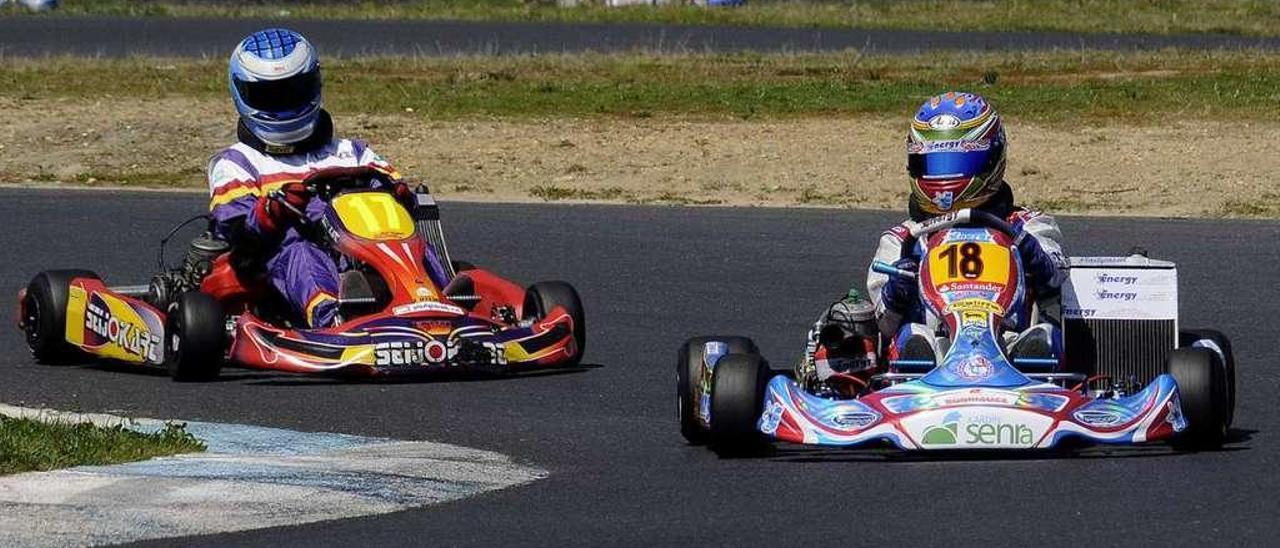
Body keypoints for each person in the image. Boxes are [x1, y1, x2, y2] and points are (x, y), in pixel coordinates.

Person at [796, 91, 1068, 394]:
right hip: (930, 358)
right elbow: (883, 324)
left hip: (1009, 342)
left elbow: (1057, 278)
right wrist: (898, 290)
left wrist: (1031, 252)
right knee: (908, 334)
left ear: (992, 158)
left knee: (1045, 334)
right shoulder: (903, 239)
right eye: (934, 164)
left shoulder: (1028, 225)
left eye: (958, 161)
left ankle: (1028, 360)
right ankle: (921, 361)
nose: (945, 175)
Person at [206, 28, 445, 328]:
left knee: (414, 244)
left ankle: (440, 301)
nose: (285, 105)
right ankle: (332, 318)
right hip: (273, 267)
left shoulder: (351, 152)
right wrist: (271, 212)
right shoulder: (238, 162)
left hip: (361, 253)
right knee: (299, 252)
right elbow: (234, 226)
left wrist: (396, 192)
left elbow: (396, 195)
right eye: (271, 95)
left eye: (294, 91)